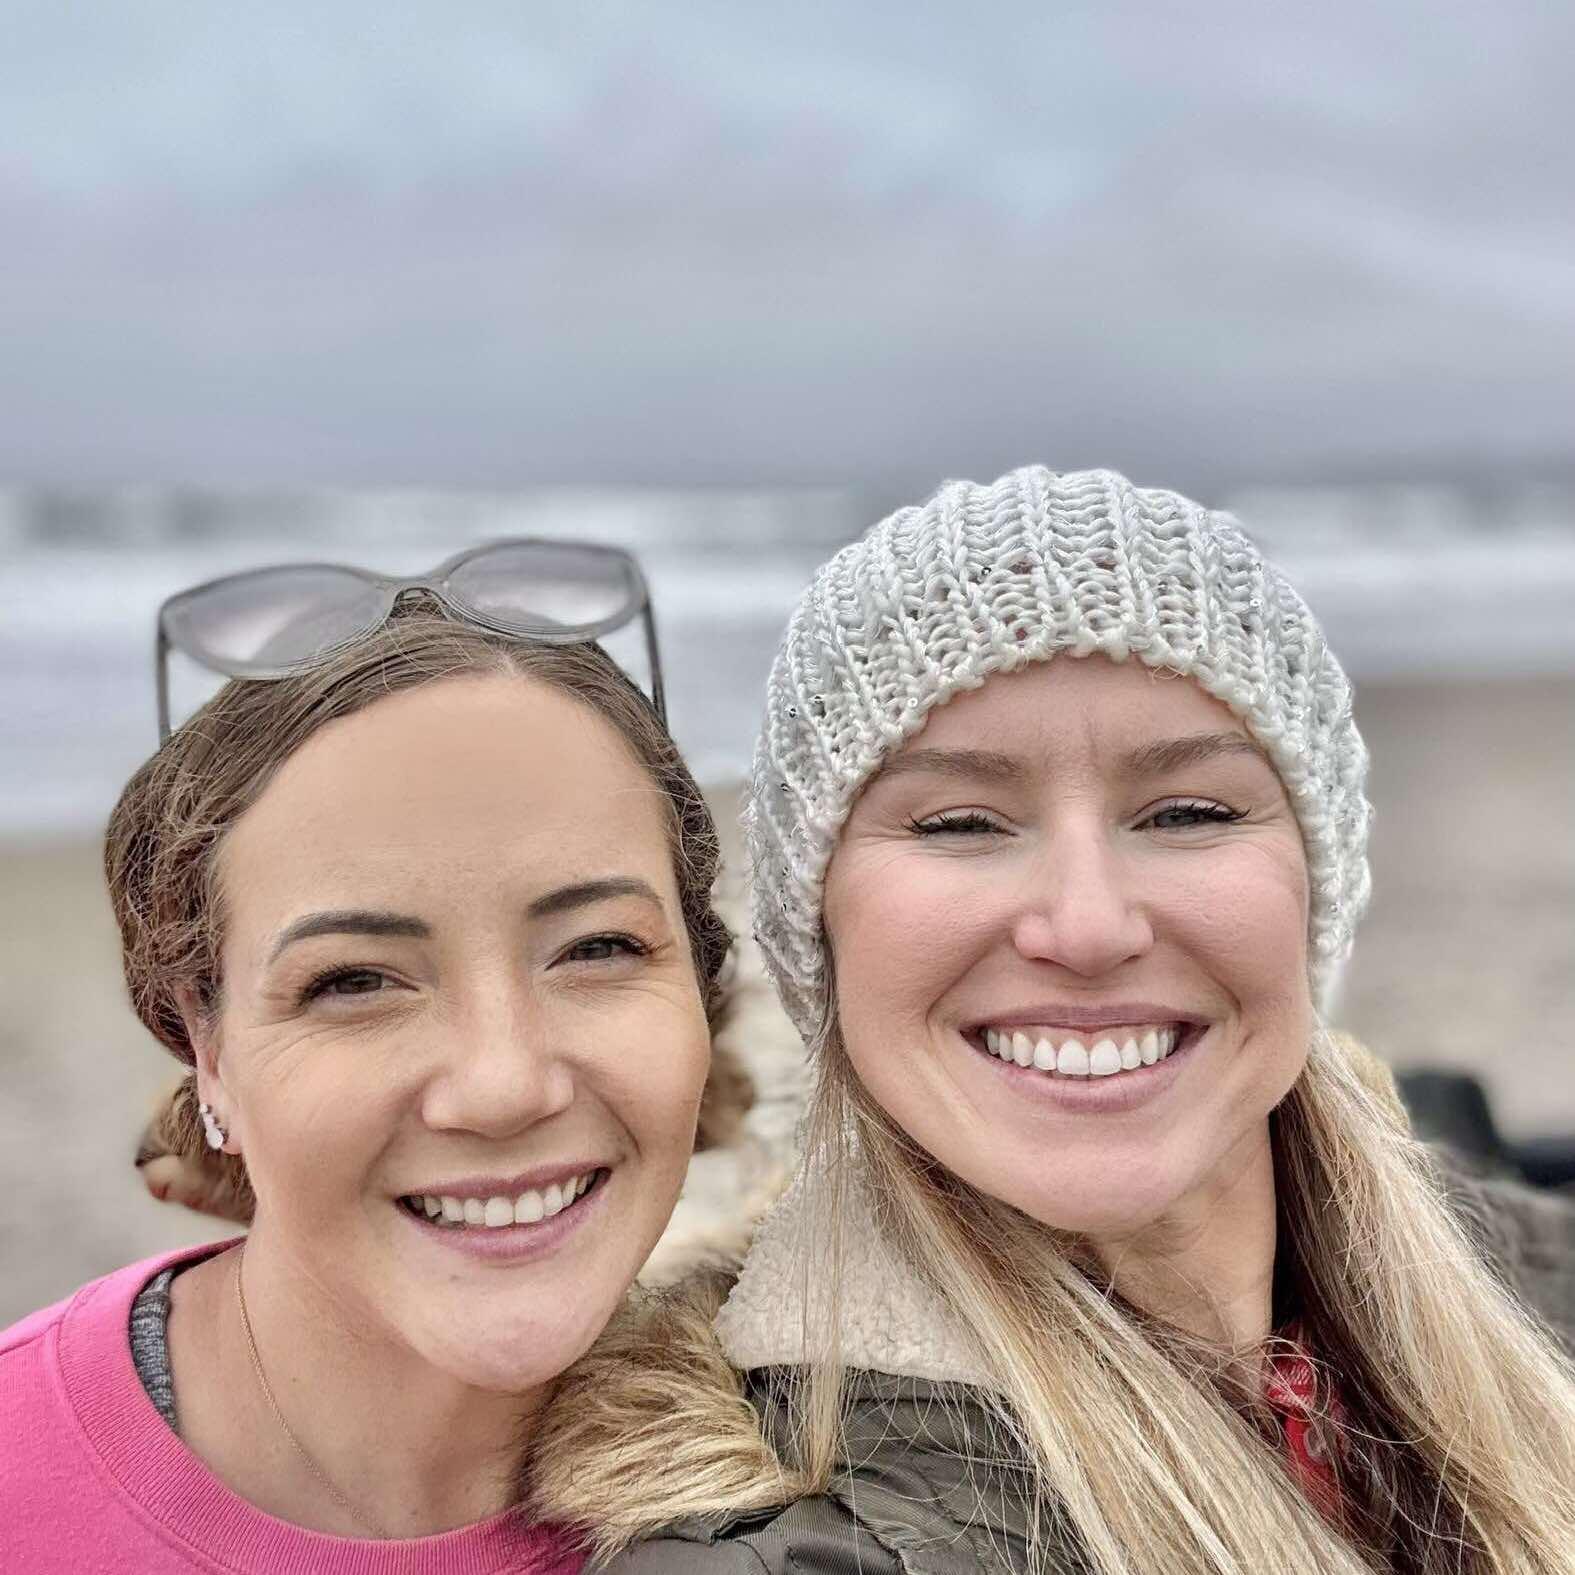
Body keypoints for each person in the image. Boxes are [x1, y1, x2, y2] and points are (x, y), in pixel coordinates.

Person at [531, 468, 1575, 1573]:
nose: (1086, 927)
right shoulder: (786, 1550)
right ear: (819, 928)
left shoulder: (1521, 1280)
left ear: (1317, 888)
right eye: (961, 823)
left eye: (1186, 812)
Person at [0, 591, 733, 1572]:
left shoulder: (846, 1492)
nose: (503, 1086)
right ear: (208, 1048)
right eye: (354, 980)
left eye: (596, 948)